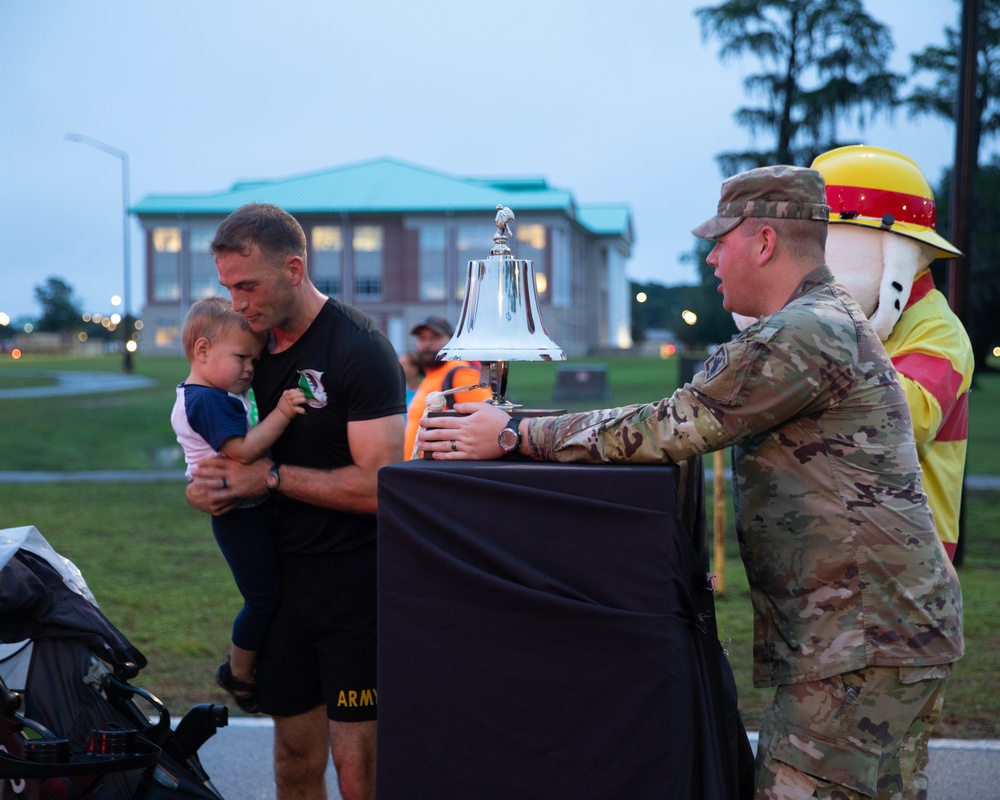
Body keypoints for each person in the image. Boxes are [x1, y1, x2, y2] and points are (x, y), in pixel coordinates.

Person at [418, 166, 964, 800]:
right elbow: (680, 413)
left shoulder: (799, 334)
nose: (710, 256)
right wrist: (522, 422)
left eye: (720, 239)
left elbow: (672, 426)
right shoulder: (828, 318)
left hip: (859, 639)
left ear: (763, 242)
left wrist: (512, 435)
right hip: (882, 630)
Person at [186, 203, 405, 800]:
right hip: (281, 587)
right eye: (229, 287)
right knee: (292, 757)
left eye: (248, 286)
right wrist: (204, 487)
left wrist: (272, 478)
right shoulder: (243, 352)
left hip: (354, 586)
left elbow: (383, 486)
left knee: (357, 767)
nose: (237, 302)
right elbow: (211, 445)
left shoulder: (359, 349)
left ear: (294, 267)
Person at [812, 144, 974, 562]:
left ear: (896, 255)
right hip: (865, 553)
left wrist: (824, 342)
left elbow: (908, 420)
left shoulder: (938, 331)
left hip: (912, 561)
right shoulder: (872, 325)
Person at [171, 296, 307, 713]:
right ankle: (239, 672)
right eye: (242, 357)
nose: (251, 369)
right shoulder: (207, 400)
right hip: (239, 516)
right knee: (262, 598)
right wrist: (283, 411)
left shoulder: (206, 392)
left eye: (255, 360)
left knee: (273, 591)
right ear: (203, 350)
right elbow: (243, 451)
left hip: (247, 510)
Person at [402, 316, 491, 459]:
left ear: (451, 340)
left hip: (440, 473)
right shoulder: (432, 375)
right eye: (422, 338)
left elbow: (488, 427)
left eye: (435, 337)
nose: (427, 344)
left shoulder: (460, 374)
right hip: (420, 472)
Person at [398, 351, 423, 418]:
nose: (399, 368)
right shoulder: (398, 393)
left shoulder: (426, 390)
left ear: (414, 368)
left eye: (403, 364)